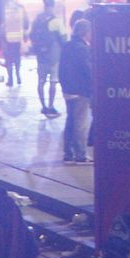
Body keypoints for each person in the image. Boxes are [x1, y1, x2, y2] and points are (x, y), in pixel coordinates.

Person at [59, 20, 93, 163]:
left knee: (70, 121)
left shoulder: (67, 46)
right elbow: (87, 70)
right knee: (81, 123)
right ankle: (80, 154)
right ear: (86, 32)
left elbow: (61, 68)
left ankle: (68, 153)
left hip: (68, 90)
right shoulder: (83, 49)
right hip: (80, 90)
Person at [29, 0, 69, 117]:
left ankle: (43, 106)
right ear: (53, 5)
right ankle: (51, 106)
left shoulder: (37, 20)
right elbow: (63, 40)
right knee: (53, 82)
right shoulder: (56, 21)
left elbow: (31, 36)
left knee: (41, 81)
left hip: (41, 57)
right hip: (54, 57)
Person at [0, 0, 28, 88]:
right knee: (17, 58)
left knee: (8, 59)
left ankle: (11, 79)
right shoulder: (20, 7)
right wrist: (25, 35)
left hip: (6, 38)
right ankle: (18, 76)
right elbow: (25, 21)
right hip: (17, 38)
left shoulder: (2, 8)